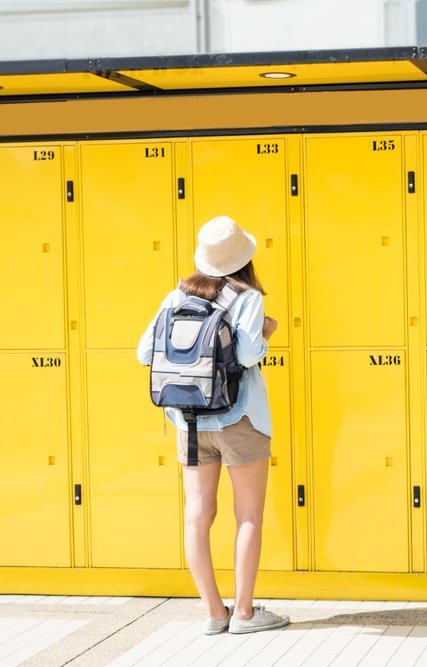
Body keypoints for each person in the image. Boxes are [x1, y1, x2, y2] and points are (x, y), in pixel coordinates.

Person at [137, 215, 289, 635]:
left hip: (188, 421)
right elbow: (245, 355)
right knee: (248, 517)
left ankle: (213, 613)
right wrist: (268, 330)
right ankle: (244, 613)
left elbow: (143, 352)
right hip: (240, 418)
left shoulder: (176, 295)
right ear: (244, 258)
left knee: (197, 517)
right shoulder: (248, 296)